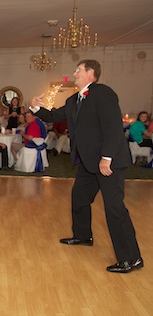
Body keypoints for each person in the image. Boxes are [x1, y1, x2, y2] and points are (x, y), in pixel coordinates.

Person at [29, 59, 142, 273]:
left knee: (114, 209)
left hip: (108, 163)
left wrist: (107, 157)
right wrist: (35, 107)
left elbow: (113, 127)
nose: (74, 74)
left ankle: (131, 258)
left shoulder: (102, 93)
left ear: (91, 73)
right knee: (79, 197)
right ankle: (82, 236)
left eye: (78, 70)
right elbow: (53, 115)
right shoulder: (74, 100)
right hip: (89, 163)